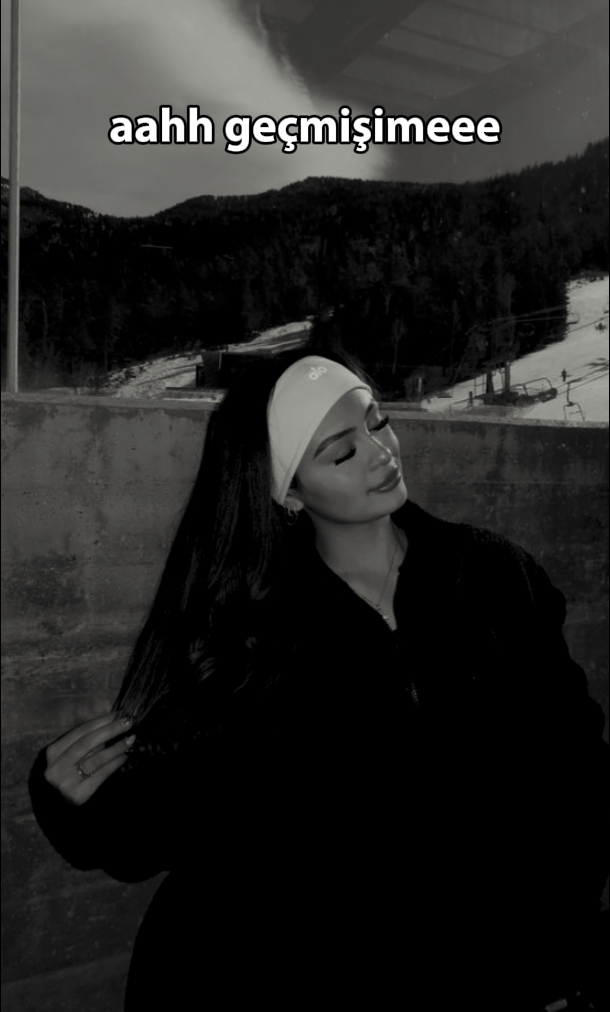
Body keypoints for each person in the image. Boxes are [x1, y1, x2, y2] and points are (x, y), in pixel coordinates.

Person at [28, 350, 608, 1012]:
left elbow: (577, 770)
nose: (380, 453)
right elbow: (176, 824)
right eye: (341, 452)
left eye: (377, 421)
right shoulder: (250, 631)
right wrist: (77, 805)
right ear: (290, 493)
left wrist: (560, 947)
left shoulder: (496, 577)